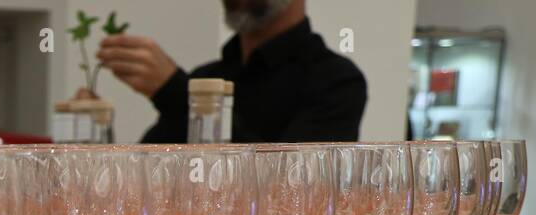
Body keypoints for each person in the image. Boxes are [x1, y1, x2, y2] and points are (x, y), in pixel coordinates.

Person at [97, 0, 366, 144]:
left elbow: (289, 191)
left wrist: (175, 93)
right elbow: (146, 176)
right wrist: (97, 128)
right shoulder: (205, 77)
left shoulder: (337, 81)